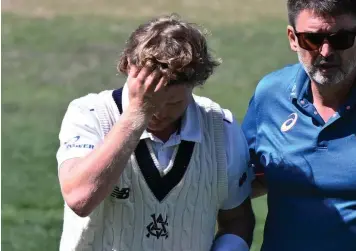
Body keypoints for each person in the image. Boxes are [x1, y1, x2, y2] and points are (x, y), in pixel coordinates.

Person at [56, 14, 255, 251]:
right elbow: (80, 198)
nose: (158, 113)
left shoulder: (221, 127)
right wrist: (137, 114)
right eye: (150, 101)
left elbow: (237, 220)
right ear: (128, 66)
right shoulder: (89, 113)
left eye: (172, 103)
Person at [242, 0, 356, 250]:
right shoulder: (270, 97)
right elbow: (243, 180)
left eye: (341, 38)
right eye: (312, 39)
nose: (326, 51)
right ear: (293, 38)